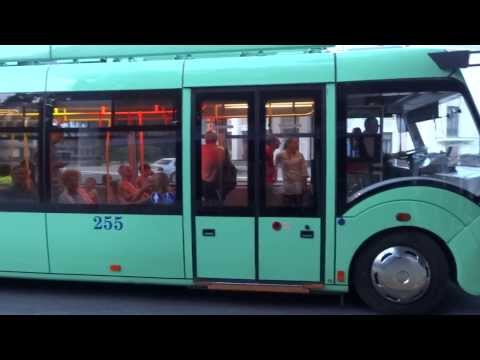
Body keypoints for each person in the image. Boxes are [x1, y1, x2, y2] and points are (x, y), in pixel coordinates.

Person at [275, 137, 309, 207]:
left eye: (297, 143)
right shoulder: (280, 155)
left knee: (298, 206)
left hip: (298, 186)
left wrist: (304, 186)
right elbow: (275, 165)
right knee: (287, 207)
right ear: (288, 144)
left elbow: (304, 171)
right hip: (287, 185)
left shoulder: (300, 155)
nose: (297, 145)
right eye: (295, 143)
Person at [201, 131, 225, 203]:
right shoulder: (220, 150)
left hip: (203, 182)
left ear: (205, 140)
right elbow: (221, 166)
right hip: (215, 182)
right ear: (216, 139)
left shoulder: (201, 148)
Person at [265, 135, 280, 206]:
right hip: (267, 180)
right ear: (272, 142)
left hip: (268, 179)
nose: (278, 143)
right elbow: (270, 166)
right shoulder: (268, 150)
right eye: (277, 142)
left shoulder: (269, 150)